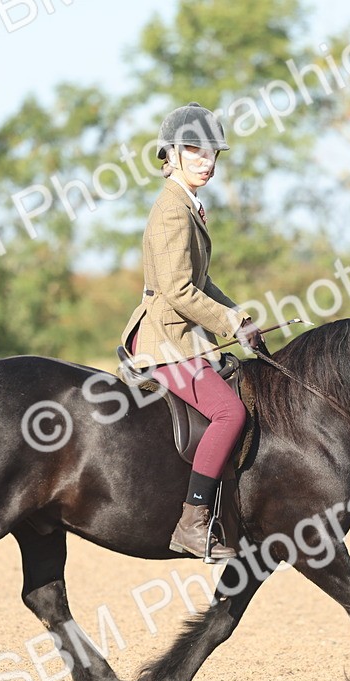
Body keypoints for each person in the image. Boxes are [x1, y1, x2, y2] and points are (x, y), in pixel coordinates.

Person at [119, 102, 265, 561]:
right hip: (165, 342)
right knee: (229, 414)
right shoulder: (170, 210)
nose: (207, 160)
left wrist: (238, 316)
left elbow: (200, 283)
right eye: (194, 150)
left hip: (183, 338)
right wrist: (227, 322)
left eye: (212, 153)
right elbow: (178, 290)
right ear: (171, 154)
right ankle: (193, 520)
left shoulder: (188, 206)